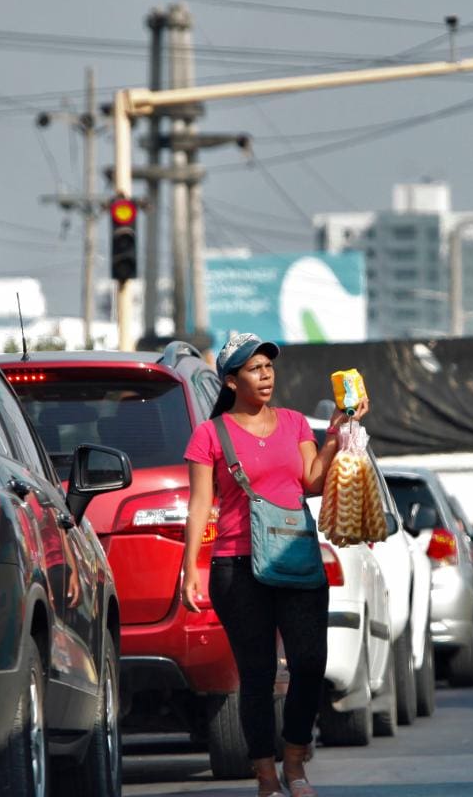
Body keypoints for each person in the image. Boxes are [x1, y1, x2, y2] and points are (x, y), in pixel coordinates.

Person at [180, 333, 369, 797]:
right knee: (258, 673)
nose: (265, 375)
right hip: (235, 566)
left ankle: (295, 759)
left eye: (268, 367)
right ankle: (266, 773)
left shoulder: (292, 423)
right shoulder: (210, 434)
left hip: (294, 555)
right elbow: (200, 505)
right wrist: (190, 569)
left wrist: (334, 436)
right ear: (230, 380)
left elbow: (312, 482)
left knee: (309, 663)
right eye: (253, 369)